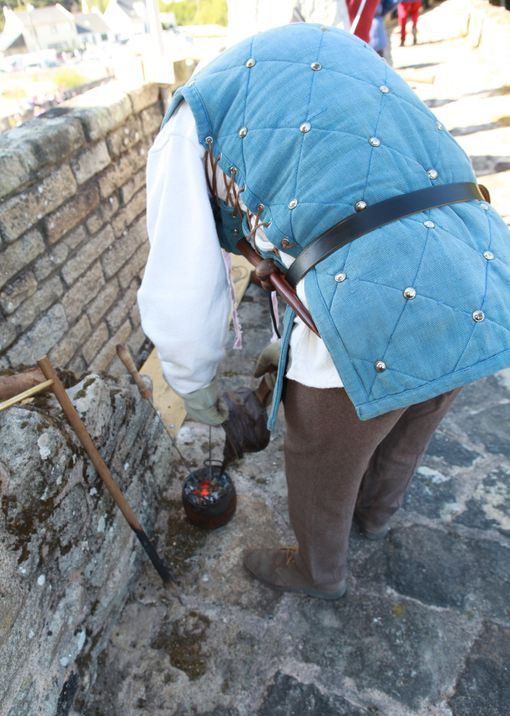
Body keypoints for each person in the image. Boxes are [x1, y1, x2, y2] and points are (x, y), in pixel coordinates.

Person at [138, 23, 510, 600]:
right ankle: (376, 515)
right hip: (476, 266)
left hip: (373, 297)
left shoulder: (190, 122)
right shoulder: (329, 53)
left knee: (319, 453)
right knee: (416, 411)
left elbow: (182, 279)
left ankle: (320, 571)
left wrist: (191, 381)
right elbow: (352, 183)